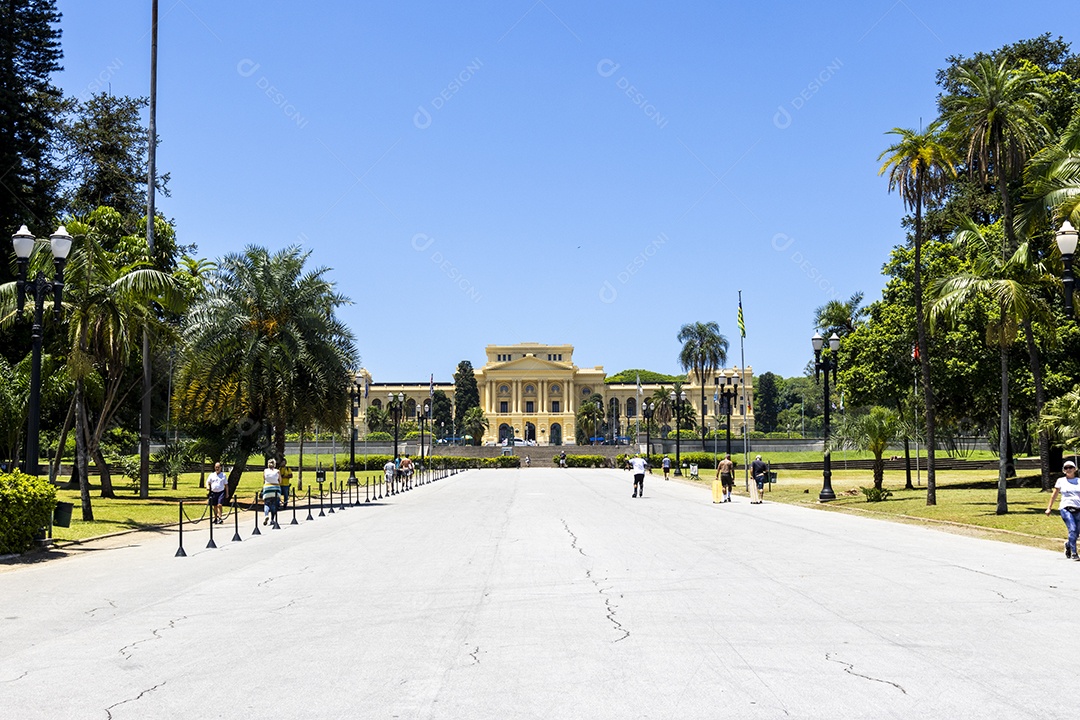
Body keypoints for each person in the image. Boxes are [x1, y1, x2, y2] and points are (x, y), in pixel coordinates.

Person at [1046, 459, 1080, 560]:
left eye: (1071, 467)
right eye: (1066, 468)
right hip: (1066, 508)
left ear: (1075, 469)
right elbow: (1054, 495)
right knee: (1072, 529)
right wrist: (1049, 508)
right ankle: (1074, 553)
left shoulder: (1079, 481)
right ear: (1063, 470)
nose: (1068, 469)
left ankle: (1068, 545)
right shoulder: (1061, 481)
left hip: (1078, 508)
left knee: (1077, 533)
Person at [262, 458, 282, 525]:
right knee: (274, 504)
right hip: (275, 488)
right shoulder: (277, 471)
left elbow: (264, 479)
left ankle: (266, 515)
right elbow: (280, 481)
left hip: (267, 487)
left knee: (267, 503)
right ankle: (272, 519)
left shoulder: (265, 471)